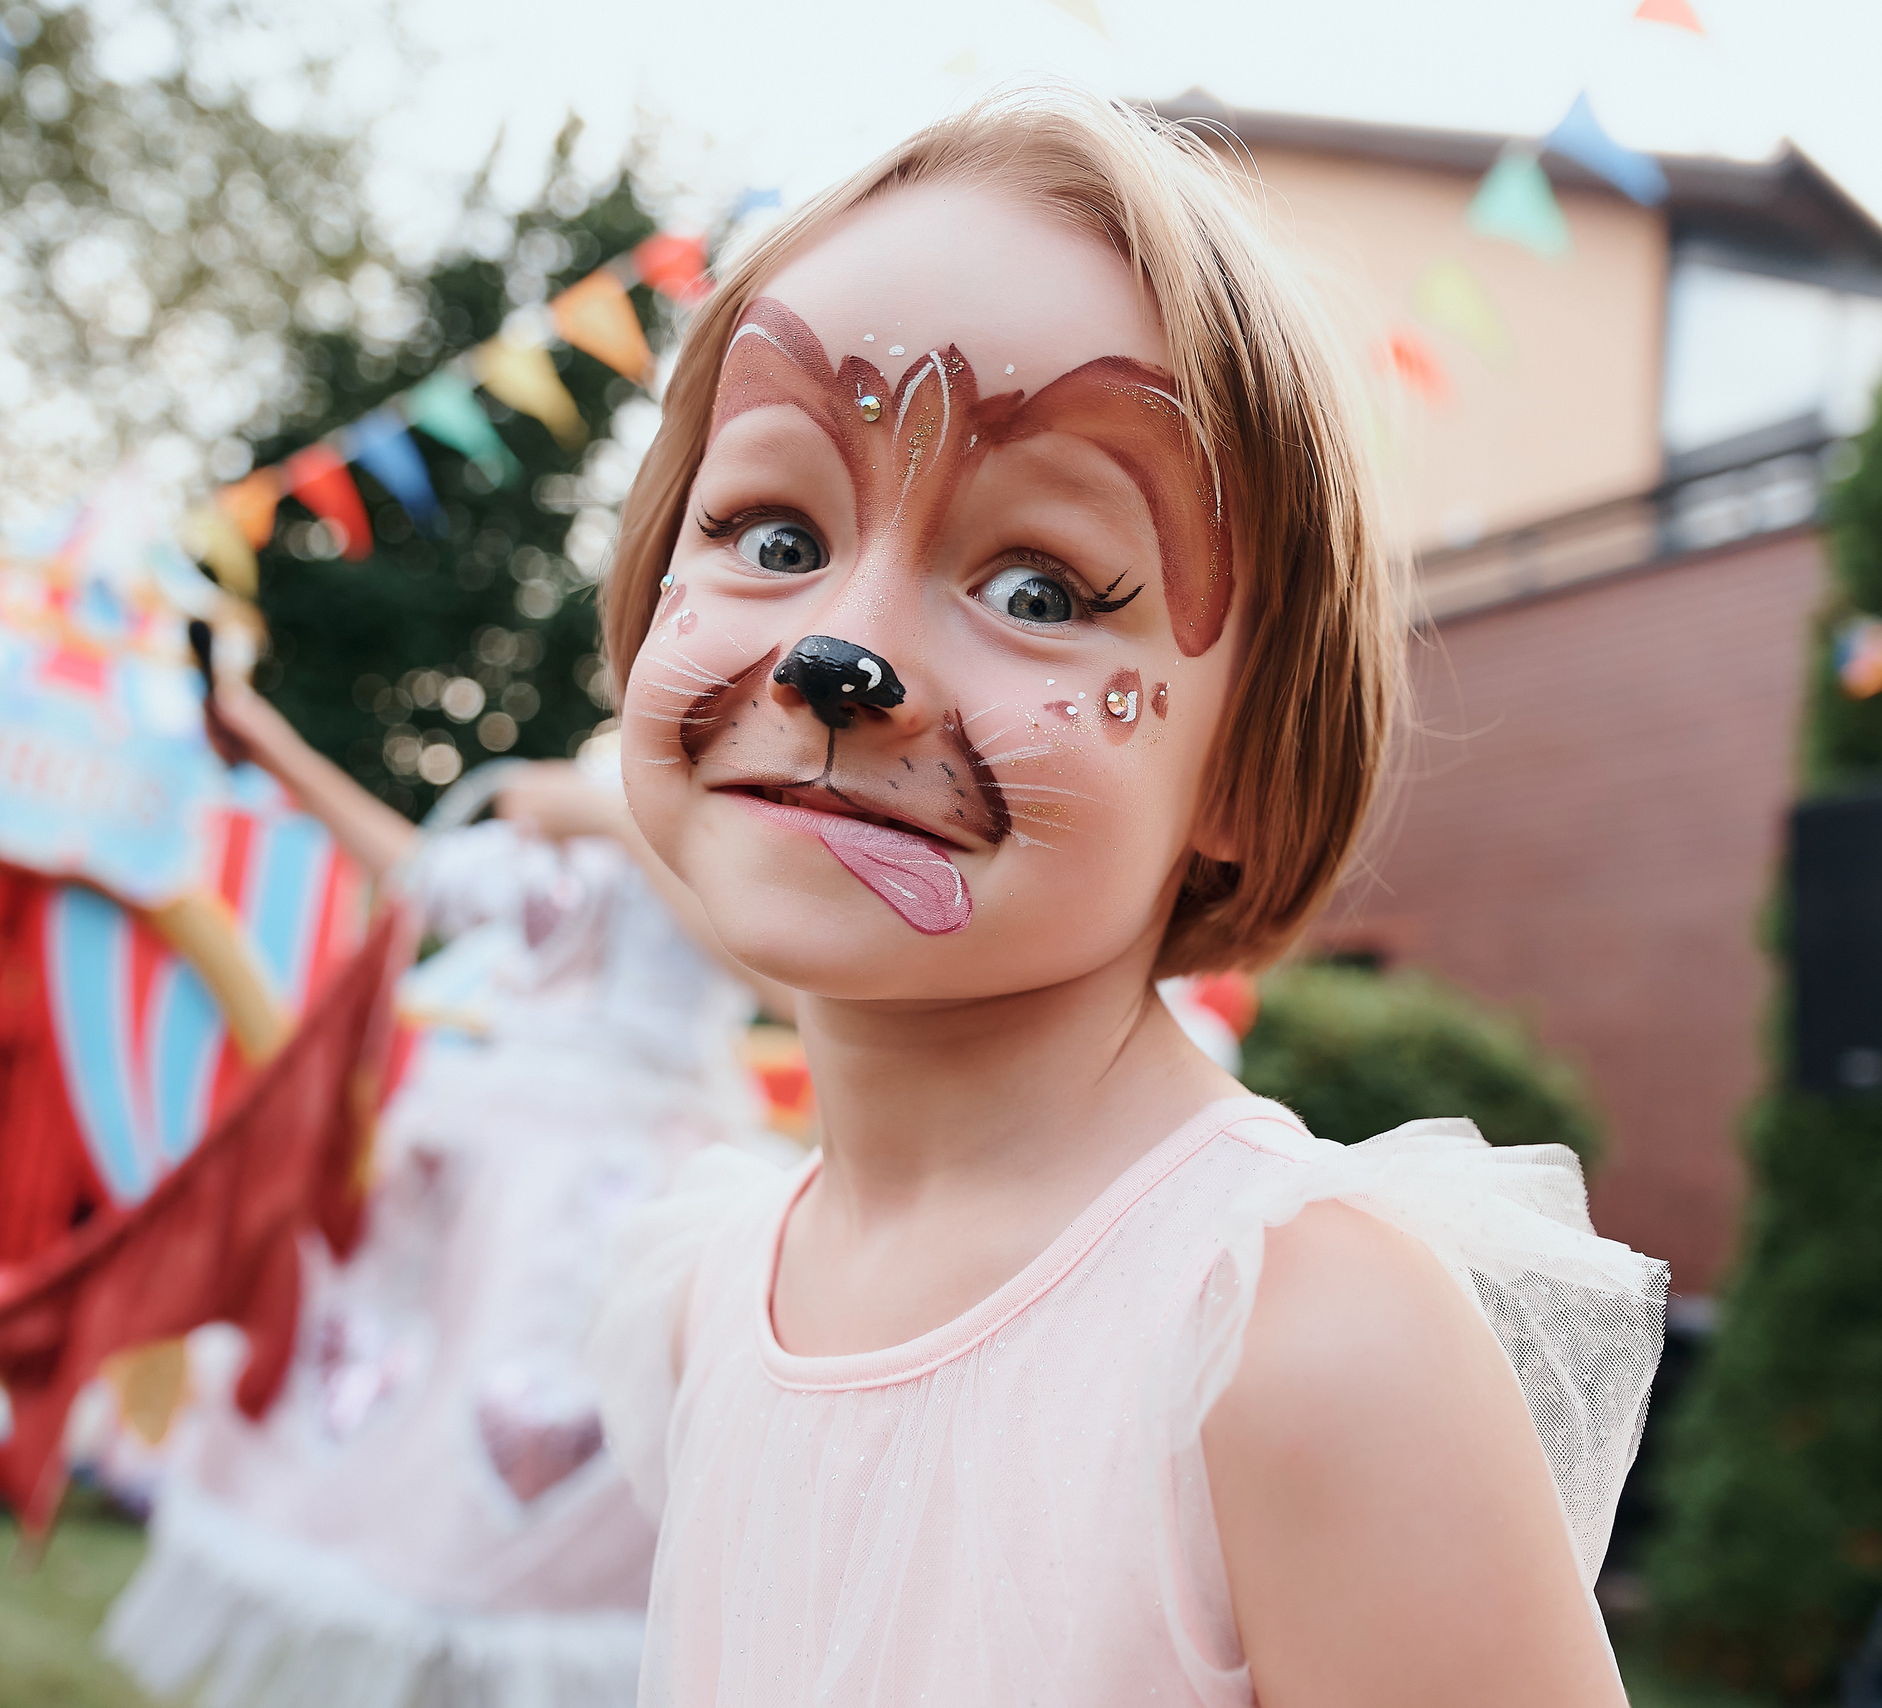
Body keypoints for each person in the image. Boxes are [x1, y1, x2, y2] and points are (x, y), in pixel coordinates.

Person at [581, 86, 1668, 1708]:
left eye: (1040, 589)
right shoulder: (710, 1293)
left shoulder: (1302, 1344)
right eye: (772, 529)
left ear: (1247, 762)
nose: (838, 653)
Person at [102, 680, 786, 1705]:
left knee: (560, 1451)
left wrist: (612, 820)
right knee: (402, 1455)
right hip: (474, 1164)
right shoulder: (576, 796)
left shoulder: (751, 809)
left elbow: (773, 963)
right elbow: (417, 870)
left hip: (618, 1184)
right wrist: (275, 743)